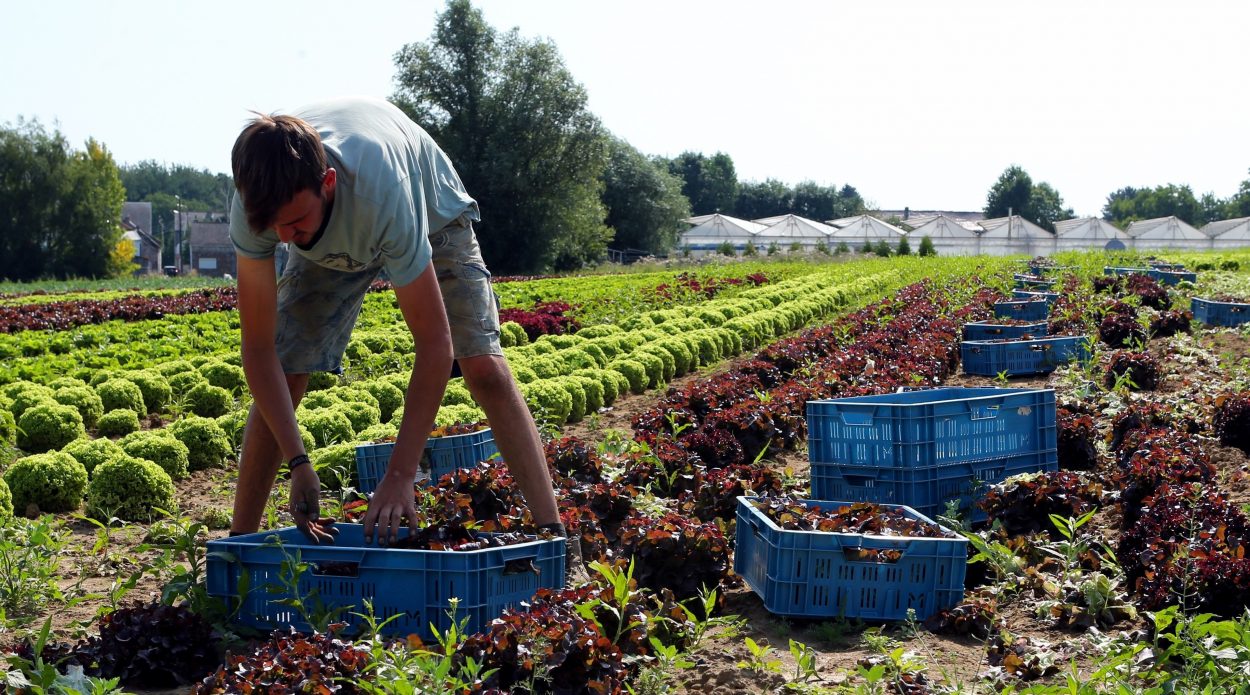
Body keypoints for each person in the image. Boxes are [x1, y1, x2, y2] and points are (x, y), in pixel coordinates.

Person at [227, 96, 585, 582]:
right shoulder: (259, 206)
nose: (283, 238)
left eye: (294, 223)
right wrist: (299, 463)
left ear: (327, 183)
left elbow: (435, 345)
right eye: (273, 228)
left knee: (482, 366)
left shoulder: (382, 195)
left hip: (431, 210)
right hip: (338, 232)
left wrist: (399, 476)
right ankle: (237, 554)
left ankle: (555, 538)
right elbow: (259, 350)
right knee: (287, 369)